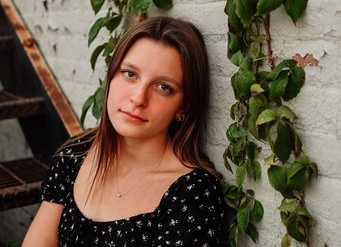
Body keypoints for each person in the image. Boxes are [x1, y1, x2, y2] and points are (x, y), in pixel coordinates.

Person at [22, 17, 225, 246]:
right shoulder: (76, 154)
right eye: (130, 74)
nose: (138, 98)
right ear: (112, 75)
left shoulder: (193, 195)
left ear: (183, 106)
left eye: (163, 87)